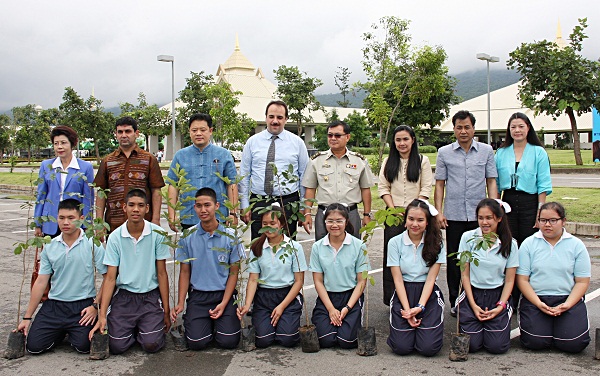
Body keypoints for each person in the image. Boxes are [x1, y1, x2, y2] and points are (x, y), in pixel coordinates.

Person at [18, 199, 107, 354]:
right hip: (54, 305)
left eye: (71, 218)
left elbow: (109, 278)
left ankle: (72, 331)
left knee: (84, 346)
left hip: (82, 306)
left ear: (81, 219)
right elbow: (41, 282)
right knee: (34, 347)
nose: (65, 222)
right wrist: (27, 317)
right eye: (61, 218)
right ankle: (58, 332)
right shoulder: (50, 246)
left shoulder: (92, 244)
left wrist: (95, 307)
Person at [89, 189, 171, 354]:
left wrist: (167, 311)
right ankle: (132, 328)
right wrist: (102, 314)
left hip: (150, 296)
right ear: (124, 207)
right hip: (125, 297)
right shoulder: (115, 237)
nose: (136, 209)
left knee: (151, 344)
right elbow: (111, 278)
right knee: (117, 346)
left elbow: (162, 273)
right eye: (132, 205)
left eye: (140, 205)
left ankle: (144, 328)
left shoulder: (157, 234)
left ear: (147, 208)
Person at [434, 110, 498, 316]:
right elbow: (440, 184)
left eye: (467, 127)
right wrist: (439, 212)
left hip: (480, 217)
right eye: (459, 127)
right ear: (453, 129)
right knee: (456, 260)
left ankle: (480, 298)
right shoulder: (444, 152)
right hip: (453, 216)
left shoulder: (486, 151)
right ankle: (456, 300)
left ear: (473, 128)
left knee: (482, 257)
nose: (463, 131)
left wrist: (494, 210)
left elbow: (491, 181)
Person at [171, 187, 244, 350]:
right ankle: (201, 322)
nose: (203, 210)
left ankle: (221, 322)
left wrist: (225, 302)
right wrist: (180, 302)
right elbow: (184, 272)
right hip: (199, 296)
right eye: (198, 206)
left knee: (229, 341)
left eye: (207, 205)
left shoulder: (231, 236)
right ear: (194, 207)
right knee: (197, 342)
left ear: (217, 206)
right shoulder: (187, 236)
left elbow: (234, 273)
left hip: (223, 294)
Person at [516, 202, 591, 353]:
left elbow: (582, 281)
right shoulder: (529, 244)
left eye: (553, 220)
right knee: (534, 341)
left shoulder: (576, 245)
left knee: (573, 343)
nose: (547, 225)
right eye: (543, 220)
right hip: (537, 299)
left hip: (567, 298)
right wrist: (538, 303)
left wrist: (567, 305)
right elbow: (522, 279)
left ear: (563, 221)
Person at [237, 205, 307, 348]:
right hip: (264, 297)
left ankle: (286, 322)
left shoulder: (294, 247)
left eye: (273, 223)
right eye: (264, 224)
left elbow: (299, 281)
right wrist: (246, 304)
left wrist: (281, 307)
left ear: (281, 224)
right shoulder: (257, 247)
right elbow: (253, 279)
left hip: (287, 295)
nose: (268, 227)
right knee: (263, 340)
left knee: (287, 339)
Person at [378, 125, 433, 305]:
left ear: (413, 140)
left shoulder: (422, 161)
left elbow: (426, 188)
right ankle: (392, 298)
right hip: (393, 215)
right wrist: (394, 209)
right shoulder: (388, 162)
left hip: (417, 214)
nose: (402, 143)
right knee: (393, 256)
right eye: (398, 140)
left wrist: (412, 211)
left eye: (405, 139)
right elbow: (383, 187)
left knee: (417, 255)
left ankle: (418, 297)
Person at [239, 100, 309, 240]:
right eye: (271, 117)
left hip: (288, 202)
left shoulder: (297, 143)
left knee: (287, 244)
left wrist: (303, 208)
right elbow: (244, 176)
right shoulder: (252, 142)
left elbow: (304, 177)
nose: (275, 121)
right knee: (258, 245)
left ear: (286, 119)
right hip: (259, 201)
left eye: (279, 117)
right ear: (266, 117)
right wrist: (245, 205)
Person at [456, 199, 518, 354]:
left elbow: (510, 279)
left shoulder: (510, 243)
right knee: (473, 345)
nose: (484, 222)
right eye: (480, 218)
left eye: (489, 218)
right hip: (473, 293)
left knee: (497, 347)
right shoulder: (468, 238)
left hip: (497, 295)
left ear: (499, 218)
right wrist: (473, 304)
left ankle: (497, 320)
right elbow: (465, 276)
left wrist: (500, 306)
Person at [386, 199, 445, 356]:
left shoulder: (437, 243)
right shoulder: (394, 243)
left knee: (428, 348)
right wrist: (407, 310)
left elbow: (431, 279)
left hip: (427, 294)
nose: (415, 224)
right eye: (411, 219)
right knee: (401, 348)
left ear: (427, 223)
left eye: (420, 220)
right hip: (403, 292)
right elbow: (397, 279)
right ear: (405, 221)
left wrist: (420, 307)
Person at [310, 203, 370, 349]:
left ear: (346, 222)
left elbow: (361, 281)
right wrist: (331, 309)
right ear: (324, 222)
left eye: (339, 221)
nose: (334, 225)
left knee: (347, 341)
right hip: (328, 297)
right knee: (325, 340)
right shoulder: (317, 247)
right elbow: (318, 281)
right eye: (330, 221)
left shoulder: (358, 245)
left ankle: (348, 320)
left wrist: (347, 308)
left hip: (350, 297)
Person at [302, 120, 373, 241]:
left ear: (347, 137)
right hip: (324, 213)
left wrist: (367, 215)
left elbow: (366, 189)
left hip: (350, 213)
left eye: (337, 135)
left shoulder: (359, 161)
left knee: (352, 249)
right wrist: (307, 213)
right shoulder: (316, 160)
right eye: (330, 135)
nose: (333, 138)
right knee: (323, 251)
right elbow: (310, 189)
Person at [94, 116, 165, 233]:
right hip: (114, 224)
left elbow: (156, 191)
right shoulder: (107, 161)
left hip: (144, 224)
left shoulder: (149, 159)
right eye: (120, 132)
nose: (124, 135)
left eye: (128, 131)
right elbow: (101, 193)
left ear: (136, 133)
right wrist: (99, 223)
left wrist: (156, 219)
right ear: (115, 134)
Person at [167, 113, 238, 230]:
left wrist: (233, 212)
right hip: (189, 216)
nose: (198, 133)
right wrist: (172, 215)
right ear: (189, 132)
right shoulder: (180, 156)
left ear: (210, 131)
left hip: (218, 216)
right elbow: (173, 185)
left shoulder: (223, 154)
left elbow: (232, 184)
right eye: (194, 130)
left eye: (202, 130)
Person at [495, 112, 552, 246]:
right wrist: (496, 208)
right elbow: (496, 183)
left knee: (529, 243)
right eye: (513, 127)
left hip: (530, 203)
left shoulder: (539, 152)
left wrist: (540, 212)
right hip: (507, 202)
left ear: (528, 128)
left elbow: (543, 184)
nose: (517, 130)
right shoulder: (501, 153)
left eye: (521, 126)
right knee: (509, 242)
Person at [34, 126, 94, 238]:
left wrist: (87, 224)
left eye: (63, 143)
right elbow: (41, 196)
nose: (59, 147)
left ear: (72, 144)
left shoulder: (85, 167)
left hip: (74, 223)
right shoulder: (46, 166)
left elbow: (88, 199)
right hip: (50, 223)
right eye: (56, 143)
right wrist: (38, 223)